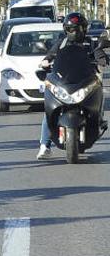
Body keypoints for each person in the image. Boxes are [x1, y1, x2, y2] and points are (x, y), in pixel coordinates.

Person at [36, 12, 95, 159]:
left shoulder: (90, 43)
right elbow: (49, 56)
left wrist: (101, 60)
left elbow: (98, 54)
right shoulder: (61, 43)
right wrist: (45, 61)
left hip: (84, 81)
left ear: (84, 29)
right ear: (65, 30)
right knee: (50, 111)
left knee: (95, 97)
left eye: (77, 29)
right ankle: (45, 146)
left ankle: (96, 122)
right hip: (65, 83)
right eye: (70, 29)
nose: (74, 32)